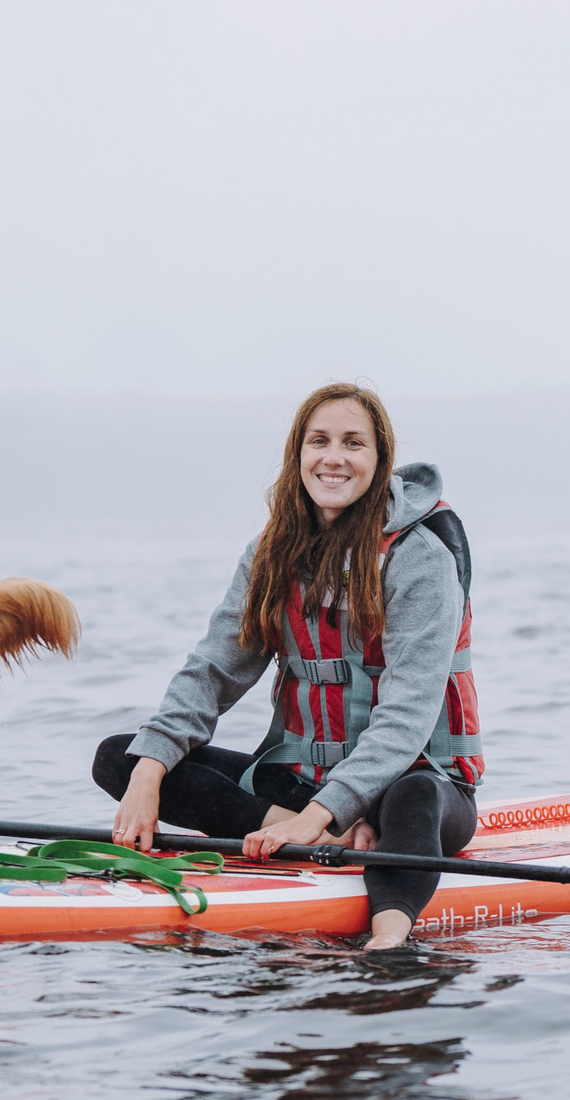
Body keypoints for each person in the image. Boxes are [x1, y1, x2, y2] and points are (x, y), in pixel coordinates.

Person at [94, 383, 482, 950]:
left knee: (413, 799)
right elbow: (213, 671)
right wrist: (148, 774)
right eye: (319, 441)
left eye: (354, 443)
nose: (334, 457)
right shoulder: (270, 553)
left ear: (379, 461)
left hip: (414, 781)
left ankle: (389, 939)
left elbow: (408, 713)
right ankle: (294, 826)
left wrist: (325, 812)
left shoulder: (420, 558)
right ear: (297, 455)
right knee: (119, 757)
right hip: (301, 787)